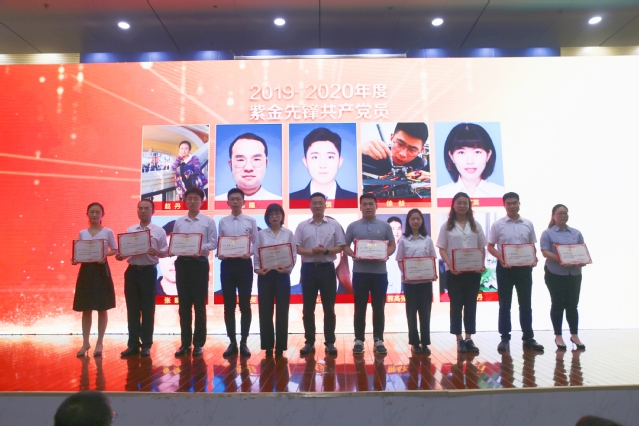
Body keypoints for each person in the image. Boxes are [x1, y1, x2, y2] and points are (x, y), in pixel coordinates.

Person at [487, 192, 544, 353]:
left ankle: (528, 337)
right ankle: (504, 338)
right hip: (504, 269)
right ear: (504, 205)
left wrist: (533, 257)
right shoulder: (498, 225)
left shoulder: (528, 224)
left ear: (519, 204)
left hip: (524, 269)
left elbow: (531, 246)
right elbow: (490, 246)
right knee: (504, 305)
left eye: (514, 203)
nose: (512, 206)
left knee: (525, 304)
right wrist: (501, 257)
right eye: (509, 203)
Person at [294, 192, 346, 355]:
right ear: (310, 206)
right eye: (314, 203)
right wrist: (311, 252)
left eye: (320, 203)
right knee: (308, 308)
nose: (317, 205)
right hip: (308, 269)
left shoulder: (334, 225)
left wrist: (326, 251)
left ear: (325, 205)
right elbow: (296, 247)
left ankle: (330, 342)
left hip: (327, 269)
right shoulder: (302, 226)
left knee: (329, 308)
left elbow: (341, 245)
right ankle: (309, 341)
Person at [344, 193, 396, 354]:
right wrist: (353, 254)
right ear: (360, 207)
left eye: (371, 204)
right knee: (359, 308)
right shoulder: (353, 226)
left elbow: (392, 245)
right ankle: (359, 339)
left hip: (379, 274)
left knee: (378, 307)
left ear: (376, 206)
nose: (367, 207)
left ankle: (378, 340)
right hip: (360, 273)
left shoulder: (385, 226)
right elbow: (345, 246)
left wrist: (386, 254)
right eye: (364, 204)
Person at [116, 199, 168, 357]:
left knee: (147, 309)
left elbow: (165, 253)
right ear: (137, 210)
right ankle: (133, 344)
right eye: (140, 208)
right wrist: (121, 256)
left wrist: (157, 253)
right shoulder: (131, 229)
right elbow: (125, 252)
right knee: (132, 309)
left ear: (153, 211)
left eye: (147, 208)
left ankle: (146, 344)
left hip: (148, 272)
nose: (143, 211)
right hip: (132, 272)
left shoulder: (159, 231)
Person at [436, 192, 487, 353]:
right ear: (453, 205)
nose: (462, 205)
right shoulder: (446, 226)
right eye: (459, 202)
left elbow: (481, 247)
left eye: (465, 203)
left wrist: (481, 263)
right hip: (454, 272)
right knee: (456, 305)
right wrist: (450, 265)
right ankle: (459, 339)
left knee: (471, 305)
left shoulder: (476, 225)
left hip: (473, 272)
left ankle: (469, 337)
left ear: (469, 206)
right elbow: (442, 249)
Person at [173, 187, 217, 357]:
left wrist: (199, 248)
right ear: (185, 201)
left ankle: (198, 344)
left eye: (195, 198)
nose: (192, 201)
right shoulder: (179, 222)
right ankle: (185, 344)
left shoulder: (208, 221)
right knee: (184, 305)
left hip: (199, 264)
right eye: (189, 198)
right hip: (182, 264)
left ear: (201, 201)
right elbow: (175, 242)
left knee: (199, 305)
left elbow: (213, 243)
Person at [72, 202, 117, 358]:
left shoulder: (107, 231)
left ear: (102, 215)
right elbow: (80, 252)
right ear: (87, 214)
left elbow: (115, 250)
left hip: (101, 271)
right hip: (86, 272)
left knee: (102, 308)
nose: (94, 214)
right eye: (92, 212)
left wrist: (104, 255)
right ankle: (85, 342)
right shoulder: (82, 233)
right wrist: (75, 259)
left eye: (97, 212)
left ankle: (99, 342)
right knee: (86, 308)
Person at [217, 188, 259, 357]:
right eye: (232, 199)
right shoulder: (223, 222)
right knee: (229, 305)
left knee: (245, 305)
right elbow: (221, 242)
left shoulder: (251, 221)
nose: (235, 202)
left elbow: (256, 243)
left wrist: (249, 253)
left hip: (244, 265)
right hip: (227, 265)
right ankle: (232, 342)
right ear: (228, 202)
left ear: (243, 202)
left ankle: (244, 342)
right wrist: (220, 253)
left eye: (238, 199)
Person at [540, 204, 588, 351]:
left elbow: (581, 251)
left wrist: (582, 260)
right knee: (558, 304)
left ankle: (574, 335)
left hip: (574, 273)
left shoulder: (576, 232)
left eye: (565, 213)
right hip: (555, 274)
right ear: (553, 216)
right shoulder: (547, 233)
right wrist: (562, 260)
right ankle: (558, 336)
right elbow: (545, 252)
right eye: (560, 213)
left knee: (573, 305)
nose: (563, 215)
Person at [254, 203, 296, 357]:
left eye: (277, 214)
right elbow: (257, 254)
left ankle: (280, 346)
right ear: (267, 217)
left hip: (282, 275)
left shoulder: (288, 233)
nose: (274, 217)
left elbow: (293, 254)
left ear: (282, 216)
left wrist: (288, 269)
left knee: (282, 311)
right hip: (265, 275)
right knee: (265, 311)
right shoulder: (261, 234)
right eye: (271, 214)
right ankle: (267, 345)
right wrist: (258, 269)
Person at [395, 209, 437, 355]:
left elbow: (432, 259)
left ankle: (425, 343)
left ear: (422, 221)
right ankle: (414, 343)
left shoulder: (428, 239)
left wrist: (432, 273)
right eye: (412, 219)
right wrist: (407, 274)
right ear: (408, 221)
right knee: (411, 313)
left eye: (418, 219)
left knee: (425, 313)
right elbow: (399, 260)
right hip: (410, 283)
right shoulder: (403, 240)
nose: (415, 221)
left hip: (425, 282)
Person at [438, 123, 505, 198]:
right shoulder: (440, 194)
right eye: (461, 152)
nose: (470, 161)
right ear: (451, 156)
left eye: (477, 152)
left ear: (488, 155)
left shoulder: (502, 193)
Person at [289, 127, 357, 202]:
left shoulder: (355, 199)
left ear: (340, 161)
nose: (323, 165)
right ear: (305, 162)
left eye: (330, 157)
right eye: (315, 157)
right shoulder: (291, 200)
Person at [215, 133, 281, 201]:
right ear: (231, 164)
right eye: (240, 160)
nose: (248, 168)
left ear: (266, 163)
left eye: (256, 159)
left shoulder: (280, 202)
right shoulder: (216, 202)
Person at [361, 122, 430, 181]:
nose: (403, 154)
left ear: (421, 150)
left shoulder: (427, 170)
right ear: (391, 137)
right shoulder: (368, 157)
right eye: (399, 144)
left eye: (412, 150)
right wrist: (357, 150)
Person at [386, 216, 404, 294]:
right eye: (393, 229)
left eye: (399, 229)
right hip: (388, 287)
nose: (396, 232)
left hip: (404, 286)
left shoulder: (405, 246)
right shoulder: (383, 248)